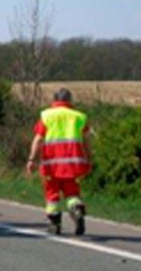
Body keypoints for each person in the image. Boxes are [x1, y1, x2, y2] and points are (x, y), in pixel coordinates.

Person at [26, 88, 92, 235]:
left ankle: (55, 224)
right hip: (72, 164)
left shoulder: (46, 116)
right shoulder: (79, 117)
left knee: (52, 195)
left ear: (54, 100)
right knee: (72, 193)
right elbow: (87, 141)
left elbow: (38, 139)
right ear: (70, 100)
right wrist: (89, 159)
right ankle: (76, 208)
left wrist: (32, 159)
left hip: (51, 164)